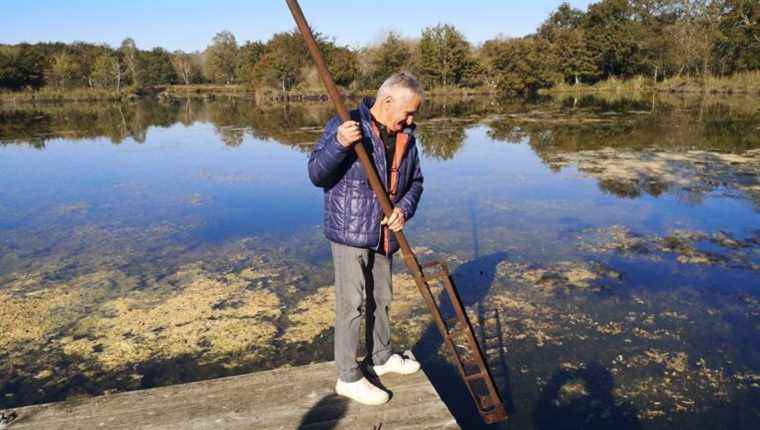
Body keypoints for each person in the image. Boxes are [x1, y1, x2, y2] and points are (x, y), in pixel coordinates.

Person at [307, 71, 425, 405]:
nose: (411, 119)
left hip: (385, 231)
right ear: (388, 101)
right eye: (409, 111)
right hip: (349, 232)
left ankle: (381, 356)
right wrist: (339, 144)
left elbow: (415, 181)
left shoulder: (406, 136)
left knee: (383, 297)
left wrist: (403, 209)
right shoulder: (346, 124)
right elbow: (317, 174)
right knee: (351, 304)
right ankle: (347, 376)